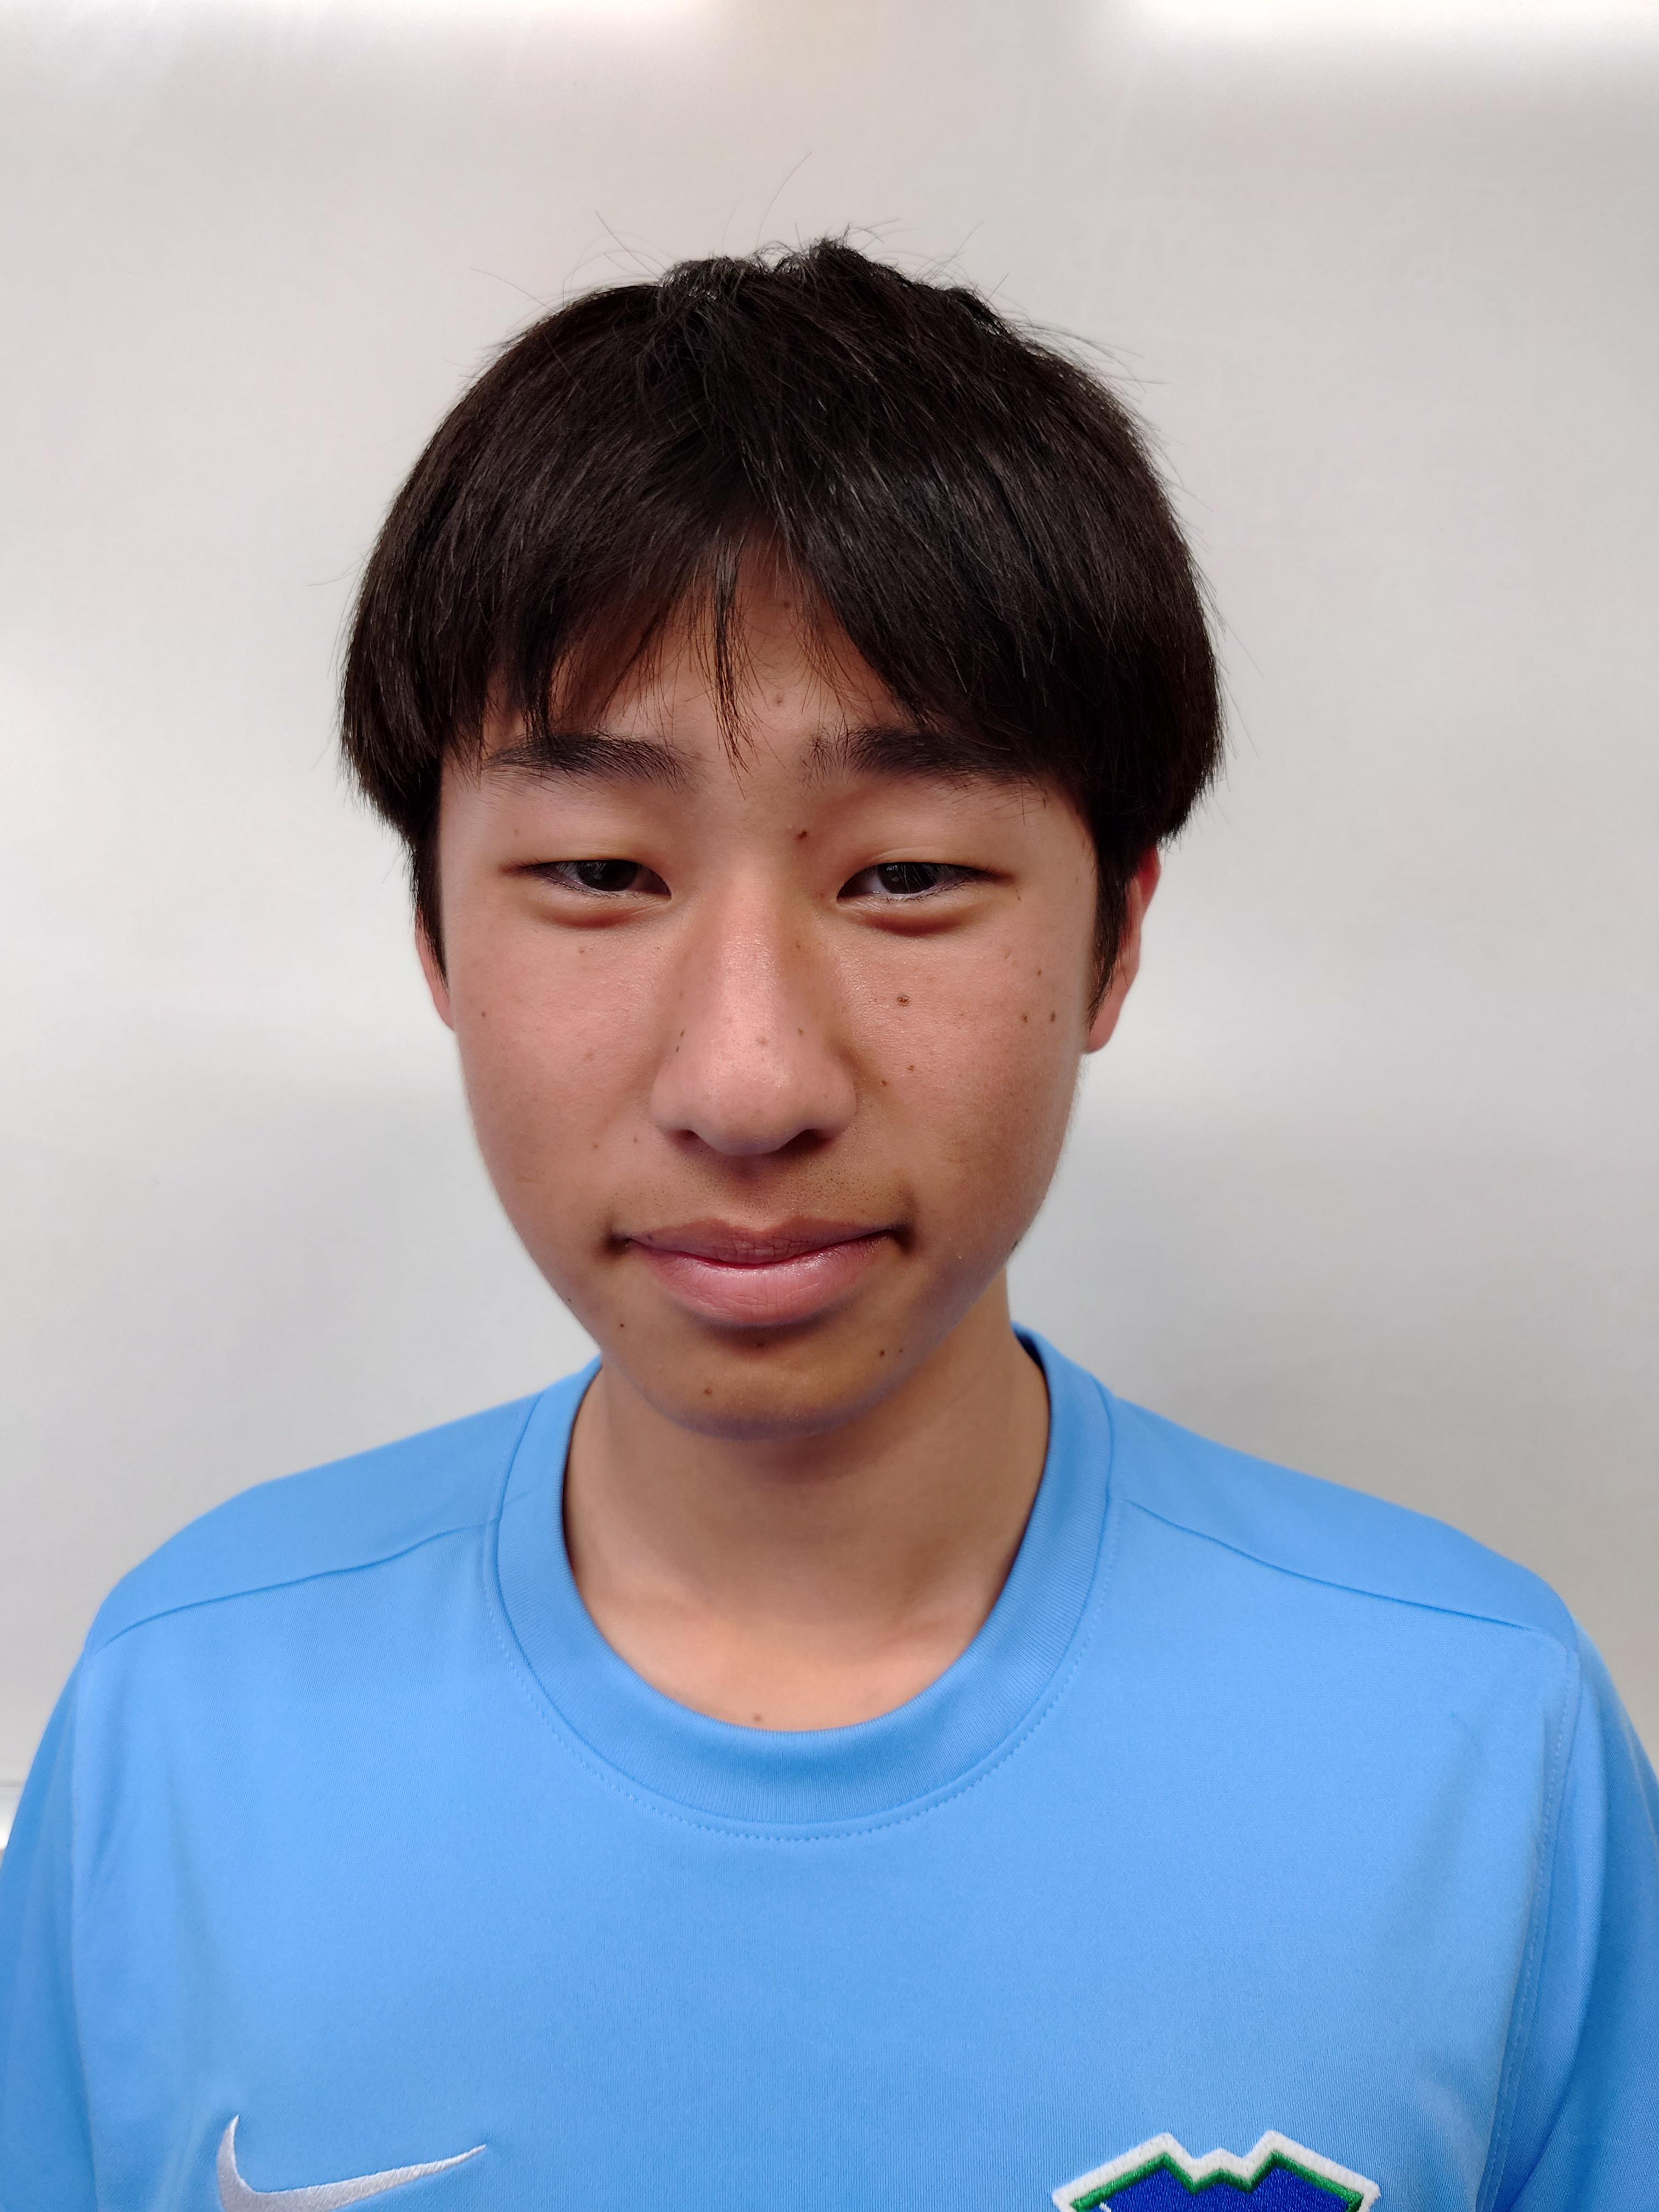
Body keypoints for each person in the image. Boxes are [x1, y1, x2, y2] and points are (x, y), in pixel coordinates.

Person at [1, 240, 1653, 2212]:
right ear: (433, 933)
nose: (753, 1077)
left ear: (1117, 935)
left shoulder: (1478, 1744)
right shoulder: (184, 1725)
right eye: (600, 871)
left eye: (908, 875)